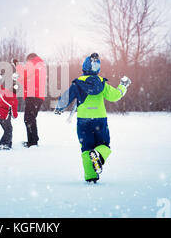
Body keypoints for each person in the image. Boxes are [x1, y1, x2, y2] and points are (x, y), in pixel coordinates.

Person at [55, 53, 132, 183]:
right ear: (97, 69)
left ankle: (91, 176)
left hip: (83, 121)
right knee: (104, 145)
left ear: (84, 68)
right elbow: (115, 96)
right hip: (100, 120)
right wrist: (123, 86)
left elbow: (66, 98)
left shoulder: (78, 83)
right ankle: (99, 154)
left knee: (86, 148)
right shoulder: (102, 84)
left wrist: (59, 107)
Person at [14, 53, 46, 148]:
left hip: (32, 95)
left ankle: (33, 142)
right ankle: (32, 141)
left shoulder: (33, 63)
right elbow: (24, 79)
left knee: (29, 119)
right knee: (30, 118)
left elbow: (23, 74)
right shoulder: (40, 65)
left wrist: (17, 65)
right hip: (38, 96)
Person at [0, 75, 19, 150]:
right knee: (9, 130)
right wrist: (15, 115)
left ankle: (7, 143)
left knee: (7, 130)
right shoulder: (14, 99)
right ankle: (4, 144)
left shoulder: (4, 92)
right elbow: (14, 114)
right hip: (4, 116)